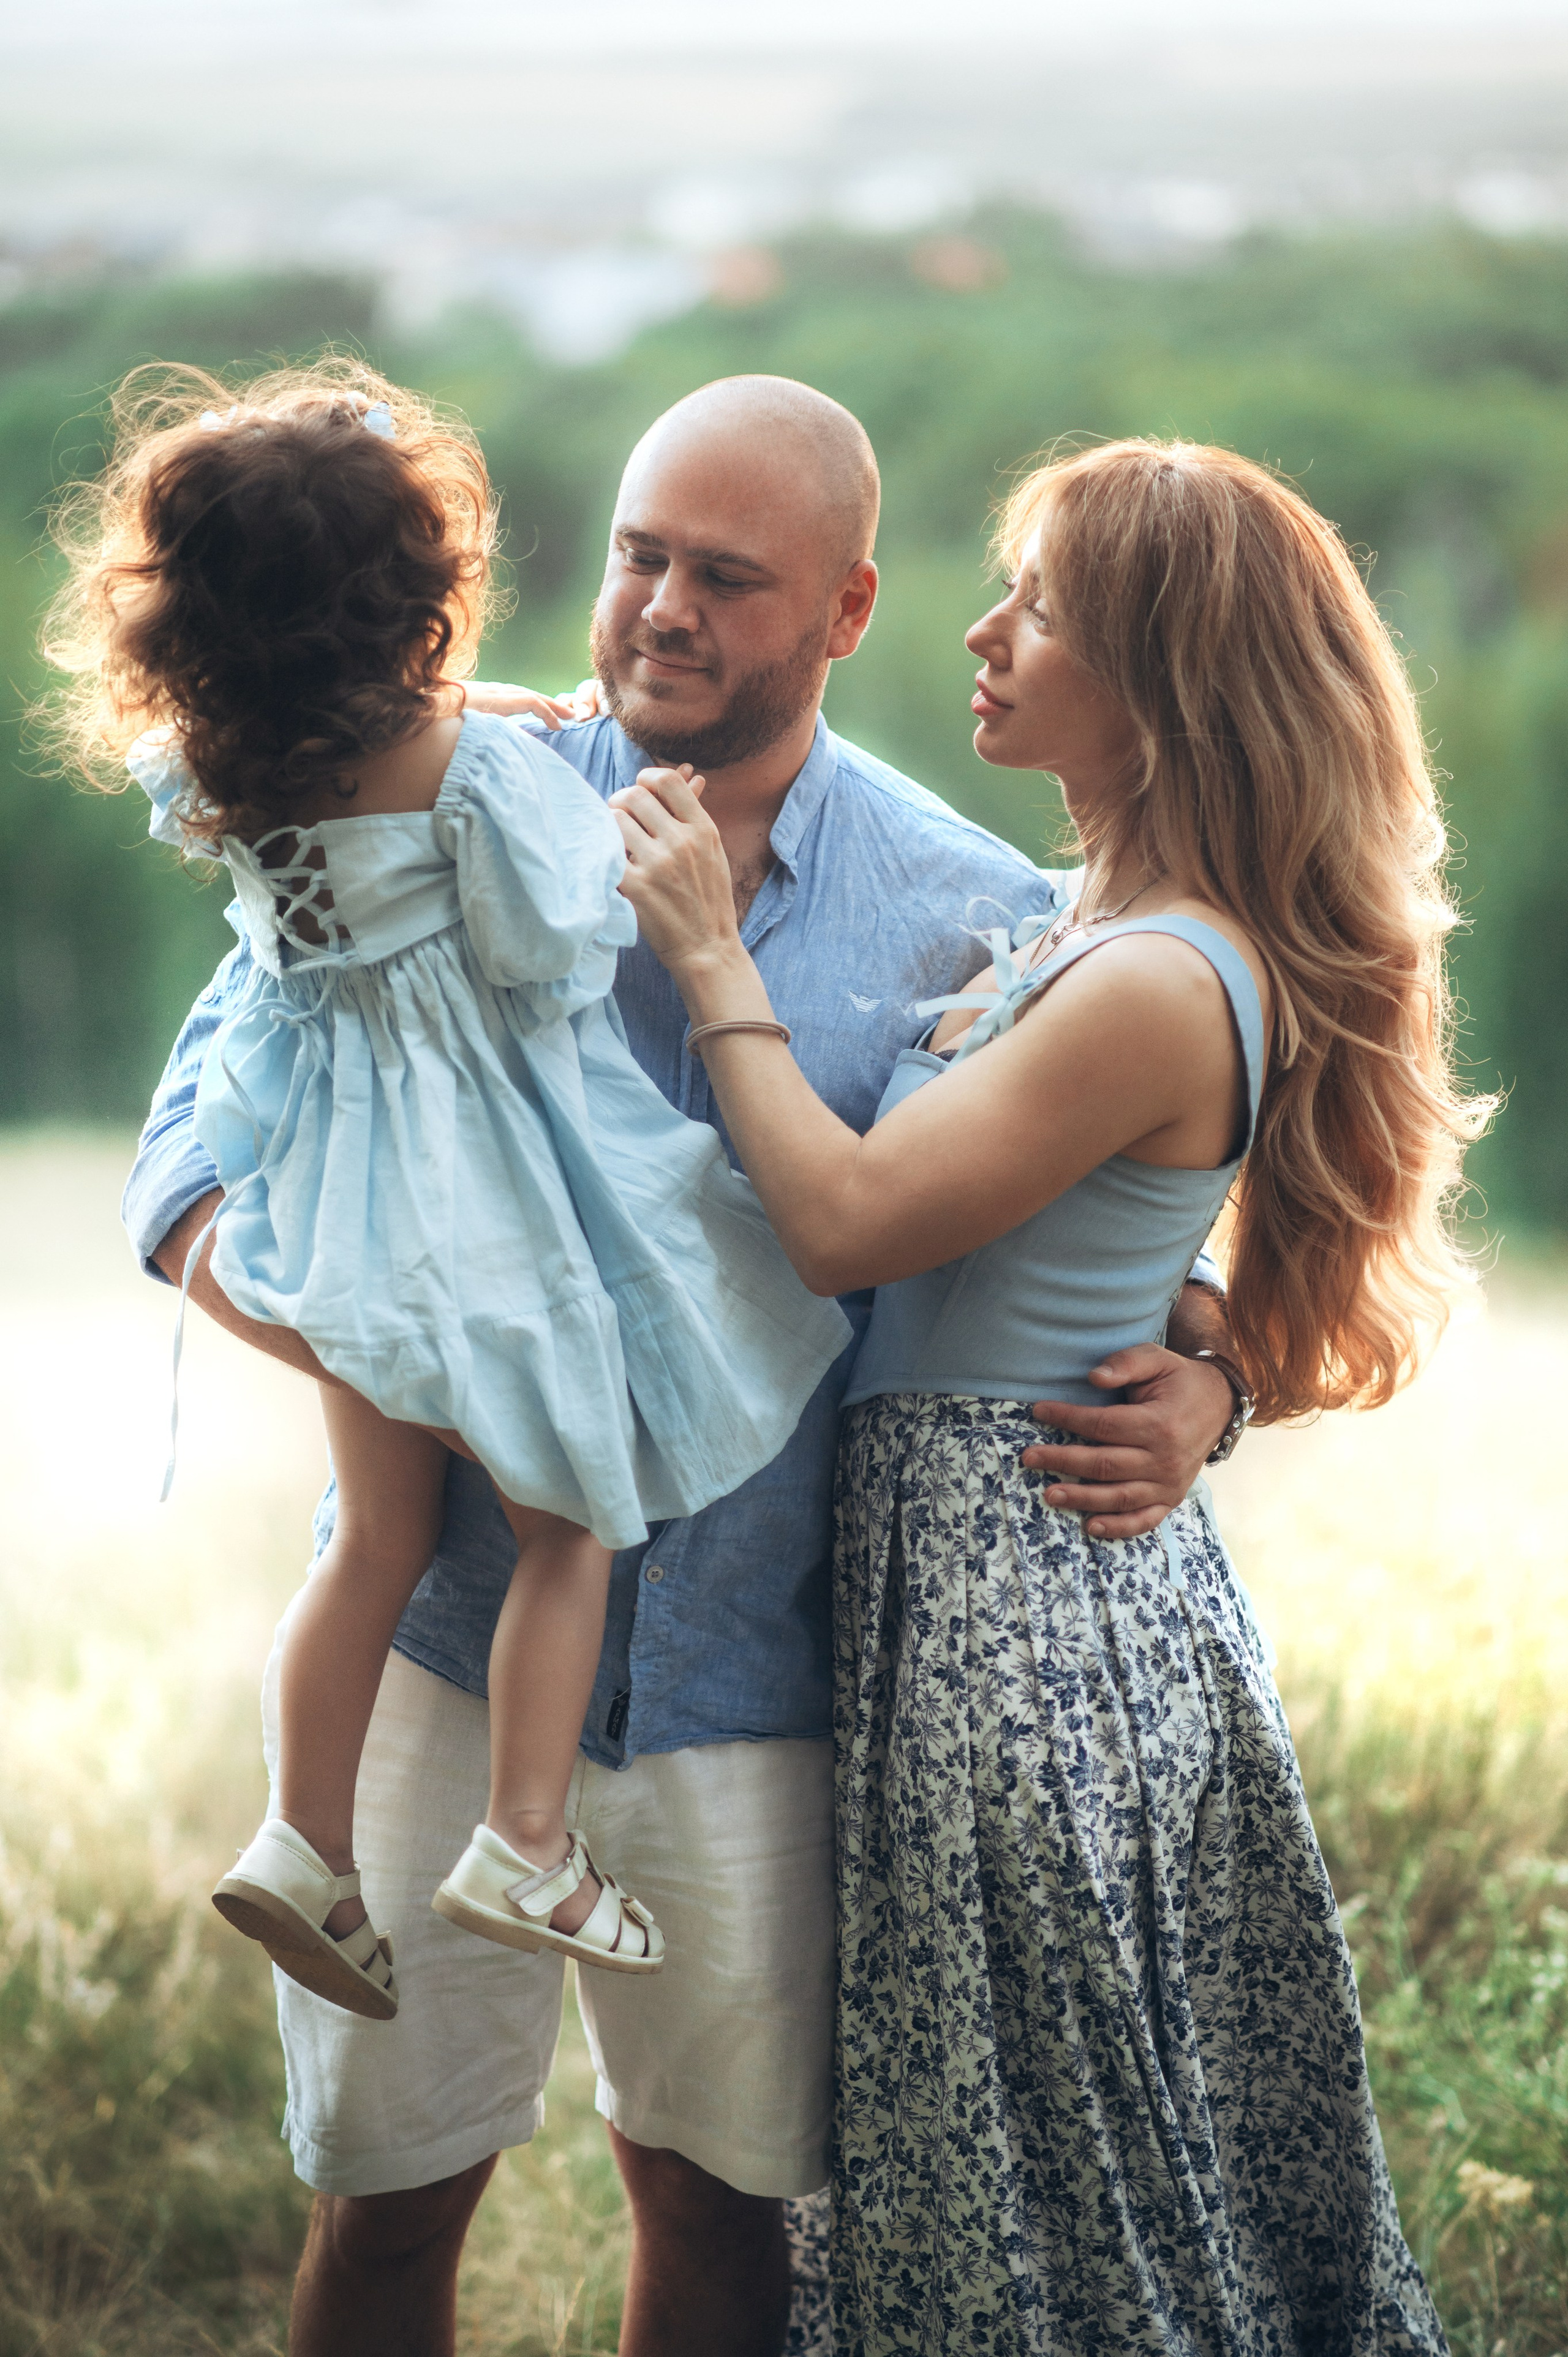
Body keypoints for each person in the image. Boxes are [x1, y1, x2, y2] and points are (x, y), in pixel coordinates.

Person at [123, 378, 1241, 2357]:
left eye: (729, 579)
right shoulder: (426, 784)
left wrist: (1221, 1386)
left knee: (721, 2231)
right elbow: (191, 1157)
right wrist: (428, 1346)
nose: (661, 609)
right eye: (641, 555)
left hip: (761, 1677)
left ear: (847, 610)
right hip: (442, 1646)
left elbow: (1124, 1241)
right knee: (381, 2217)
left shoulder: (975, 915)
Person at [613, 434, 1490, 2354]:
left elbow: (846, 1223)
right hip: (987, 1597)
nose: (984, 633)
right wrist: (1214, 1371)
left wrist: (704, 955)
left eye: (1044, 609)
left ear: (1169, 687)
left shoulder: (1158, 981)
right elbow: (1131, 1246)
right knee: (1007, 2151)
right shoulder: (1084, 925)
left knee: (1047, 2171)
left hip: (1026, 1632)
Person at [51, 360, 851, 2016]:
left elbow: (373, 747)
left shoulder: (212, 767)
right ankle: (527, 1835)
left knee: (375, 1539)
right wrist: (546, 794)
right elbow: (547, 943)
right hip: (477, 1209)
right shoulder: (480, 785)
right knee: (571, 1518)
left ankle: (300, 1841)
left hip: (321, 1198)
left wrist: (474, 714)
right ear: (420, 603)